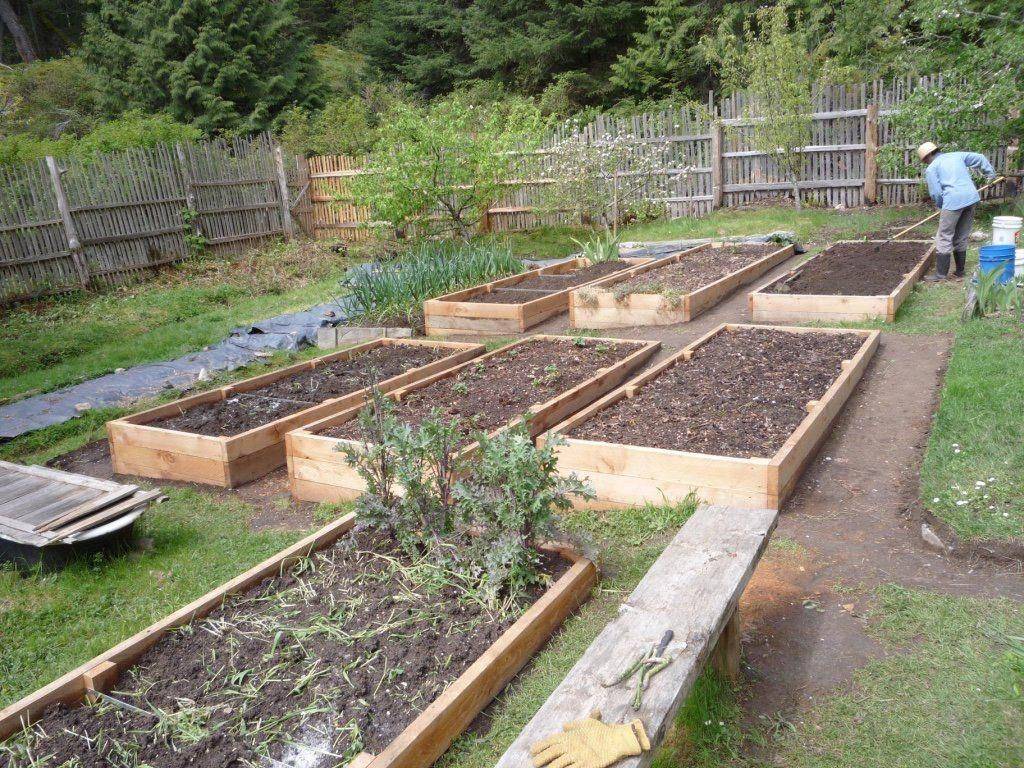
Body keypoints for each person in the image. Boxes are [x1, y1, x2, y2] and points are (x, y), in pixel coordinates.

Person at [917, 142, 996, 281]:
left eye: (925, 160)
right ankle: (960, 271)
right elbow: (980, 157)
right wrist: (990, 174)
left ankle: (940, 275)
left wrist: (942, 205)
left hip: (953, 201)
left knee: (944, 236)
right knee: (961, 235)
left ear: (928, 156)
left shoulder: (931, 168)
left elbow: (936, 193)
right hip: (971, 199)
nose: (925, 163)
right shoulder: (956, 156)